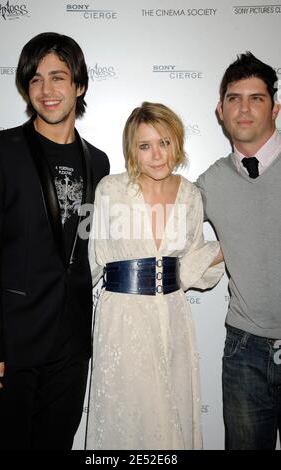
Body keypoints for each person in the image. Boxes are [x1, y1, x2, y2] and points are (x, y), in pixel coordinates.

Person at [0, 32, 109, 450]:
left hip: (72, 344)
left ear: (80, 85)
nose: (47, 90)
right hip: (11, 347)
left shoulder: (99, 161)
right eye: (35, 79)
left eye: (58, 77)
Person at [85, 102, 224, 450]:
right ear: (132, 150)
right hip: (121, 321)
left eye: (164, 142)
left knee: (171, 417)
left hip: (172, 318)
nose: (157, 154)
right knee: (128, 417)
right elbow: (92, 261)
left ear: (176, 142)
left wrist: (228, 248)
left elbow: (190, 261)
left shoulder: (191, 195)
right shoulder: (110, 190)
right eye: (144, 146)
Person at [196, 52, 281, 450]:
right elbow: (163, 232)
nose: (244, 108)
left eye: (256, 98)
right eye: (234, 98)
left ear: (275, 107)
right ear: (220, 109)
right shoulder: (208, 183)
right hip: (244, 351)